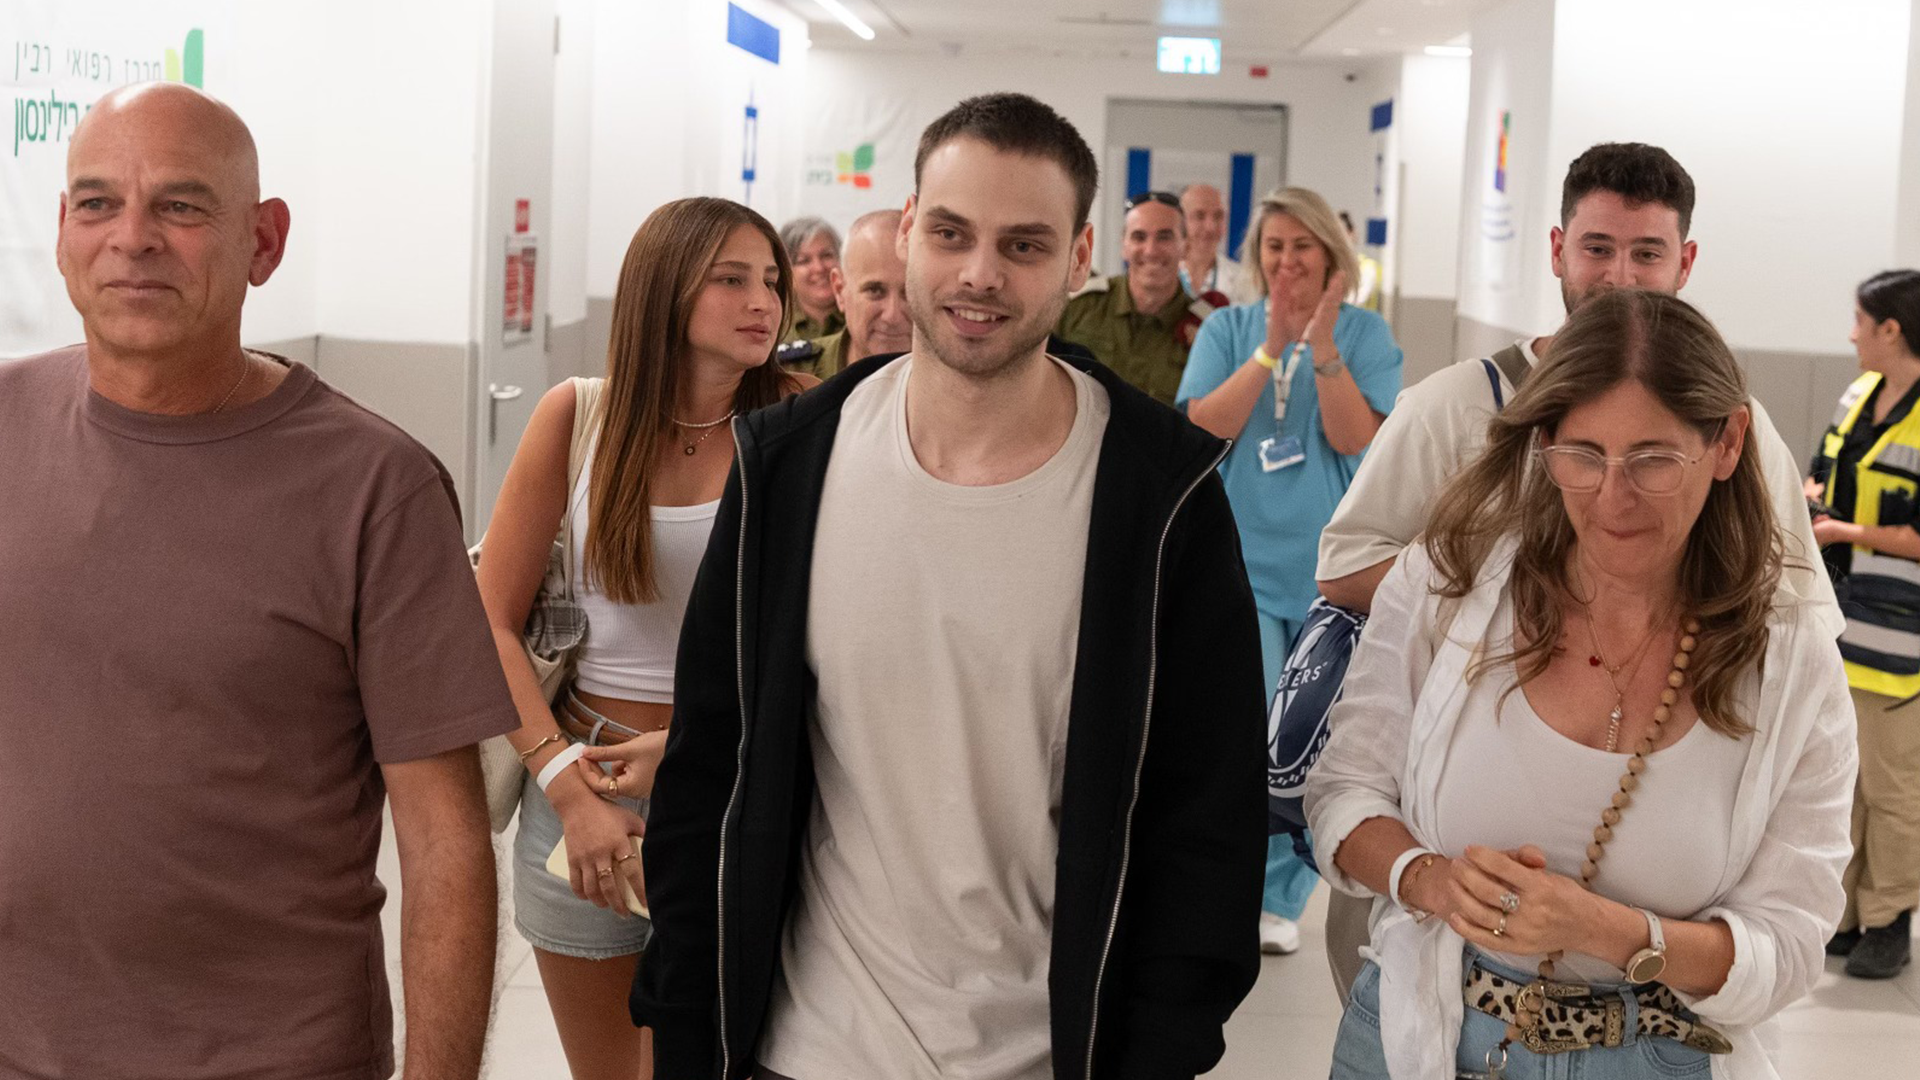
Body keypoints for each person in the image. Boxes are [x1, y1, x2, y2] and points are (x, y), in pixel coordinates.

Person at [631, 91, 1267, 1080]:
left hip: (1052, 1053)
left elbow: (1207, 821)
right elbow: (711, 771)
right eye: (952, 233)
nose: (980, 273)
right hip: (808, 1047)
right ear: (909, 228)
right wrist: (685, 1025)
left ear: (1078, 255)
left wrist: (1159, 1048)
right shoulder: (788, 468)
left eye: (1023, 245)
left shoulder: (1161, 497)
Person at [0, 83, 515, 1079]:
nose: (133, 238)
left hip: (270, 1056)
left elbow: (445, 843)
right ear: (62, 231)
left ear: (264, 242)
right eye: (98, 202)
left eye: (182, 206)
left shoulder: (377, 489)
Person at [1311, 141, 1841, 1000]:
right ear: (1558, 250)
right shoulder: (1452, 419)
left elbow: (1797, 608)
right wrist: (1468, 602)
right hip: (1430, 966)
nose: (1612, 499)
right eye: (1581, 457)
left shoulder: (1750, 452)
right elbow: (1346, 577)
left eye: (1656, 461)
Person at [476, 196, 815, 1080]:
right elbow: (487, 621)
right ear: (665, 291)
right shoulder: (579, 417)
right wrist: (567, 786)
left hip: (742, 785)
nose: (765, 303)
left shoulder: (799, 425)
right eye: (732, 279)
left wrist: (699, 745)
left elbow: (831, 640)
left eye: (772, 281)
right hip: (584, 793)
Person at [1176, 185, 1403, 956]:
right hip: (1235, 559)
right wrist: (1271, 348)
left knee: (1303, 742)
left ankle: (1281, 896)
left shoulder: (1368, 335)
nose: (1286, 261)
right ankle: (1232, 883)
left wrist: (1325, 347)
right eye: (1273, 247)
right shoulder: (1229, 328)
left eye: (1302, 246)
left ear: (1331, 257)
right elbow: (1202, 427)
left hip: (1328, 573)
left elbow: (1354, 440)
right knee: (1240, 733)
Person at [1806, 268, 1920, 980]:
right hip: (1840, 626)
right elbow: (1822, 470)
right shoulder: (1857, 398)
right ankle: (1843, 916)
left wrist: (1845, 529)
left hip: (1901, 640)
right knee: (1839, 783)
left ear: (1891, 329)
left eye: (1859, 320)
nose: (1850, 333)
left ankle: (1890, 919)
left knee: (1892, 788)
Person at [1055, 190, 1218, 405]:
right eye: (1139, 237)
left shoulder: (1210, 328)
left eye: (1164, 237)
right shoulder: (1078, 306)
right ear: (1124, 246)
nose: (1151, 250)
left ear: (1185, 247)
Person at [776, 208, 911, 379]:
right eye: (875, 291)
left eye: (909, 293)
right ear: (840, 289)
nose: (893, 315)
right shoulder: (791, 366)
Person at [1179, 182, 1259, 305]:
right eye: (1199, 216)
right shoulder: (1160, 277)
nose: (1210, 227)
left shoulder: (1246, 282)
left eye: (1218, 216)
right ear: (1180, 221)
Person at [779, 215, 843, 342]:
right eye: (804, 261)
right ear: (786, 272)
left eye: (826, 255)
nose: (819, 268)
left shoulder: (860, 318)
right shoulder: (773, 325)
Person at [1339, 211, 1384, 312]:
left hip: (1362, 325)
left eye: (1342, 233)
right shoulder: (1328, 267)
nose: (1339, 239)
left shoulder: (1368, 267)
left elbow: (1356, 300)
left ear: (1353, 233)